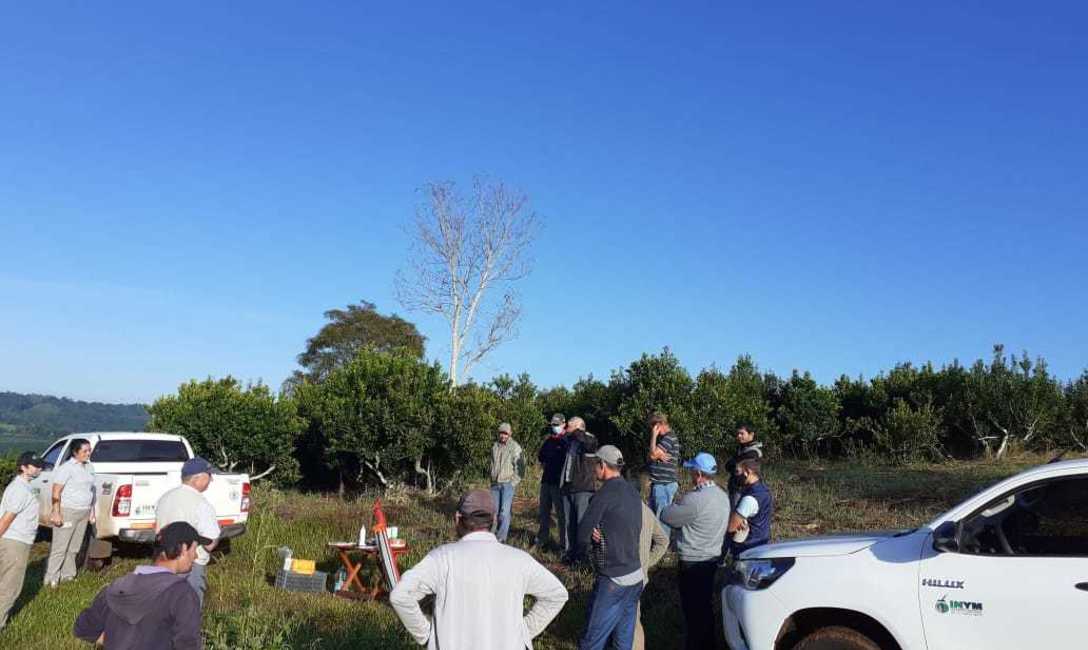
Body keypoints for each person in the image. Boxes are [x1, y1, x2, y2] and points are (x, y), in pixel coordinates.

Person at [390, 489, 568, 650]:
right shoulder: (519, 560)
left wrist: (426, 636)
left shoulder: (442, 558)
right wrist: (524, 631)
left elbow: (400, 595)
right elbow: (557, 594)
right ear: (495, 520)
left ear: (457, 518)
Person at [73, 521, 206, 649]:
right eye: (194, 549)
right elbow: (188, 645)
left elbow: (84, 628)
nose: (195, 556)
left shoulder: (116, 587)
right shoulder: (182, 594)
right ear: (183, 549)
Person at [660, 452, 730, 650]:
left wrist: (676, 502)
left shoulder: (694, 500)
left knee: (693, 613)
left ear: (699, 474)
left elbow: (667, 515)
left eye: (692, 470)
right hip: (712, 558)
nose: (690, 473)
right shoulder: (722, 496)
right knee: (705, 608)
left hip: (692, 561)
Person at [577, 445, 643, 650]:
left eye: (595, 465)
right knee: (622, 643)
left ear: (603, 465)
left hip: (614, 578)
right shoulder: (632, 491)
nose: (594, 469)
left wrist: (593, 540)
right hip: (635, 575)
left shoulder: (604, 494)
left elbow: (582, 535)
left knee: (591, 642)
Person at [155, 458, 220, 606]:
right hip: (190, 565)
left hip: (164, 561)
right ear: (198, 478)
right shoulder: (202, 504)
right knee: (189, 611)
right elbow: (209, 544)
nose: (211, 480)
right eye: (209, 476)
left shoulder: (164, 498)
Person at [0, 452, 45, 628]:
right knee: (10, 587)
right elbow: (6, 519)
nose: (39, 468)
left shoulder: (22, 486)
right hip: (15, 542)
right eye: (35, 465)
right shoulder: (20, 489)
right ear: (23, 467)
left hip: (13, 540)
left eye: (40, 464)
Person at [45, 438, 96, 588]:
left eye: (89, 450)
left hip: (84, 511)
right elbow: (56, 491)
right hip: (68, 510)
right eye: (85, 451)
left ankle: (68, 574)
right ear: (75, 452)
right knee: (60, 546)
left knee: (74, 547)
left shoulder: (90, 467)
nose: (88, 453)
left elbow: (91, 490)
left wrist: (92, 511)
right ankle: (51, 577)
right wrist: (56, 512)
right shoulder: (67, 468)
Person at [559, 416, 598, 563]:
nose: (567, 427)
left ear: (578, 427)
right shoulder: (570, 441)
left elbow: (589, 443)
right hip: (568, 487)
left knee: (582, 523)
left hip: (583, 488)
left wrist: (575, 431)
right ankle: (570, 553)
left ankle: (583, 556)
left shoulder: (590, 439)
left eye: (570, 425)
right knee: (569, 523)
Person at [632, 500, 669, 650]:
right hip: (639, 575)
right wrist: (646, 564)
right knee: (632, 619)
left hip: (624, 575)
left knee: (631, 622)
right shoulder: (646, 510)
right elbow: (663, 540)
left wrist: (647, 563)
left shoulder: (621, 507)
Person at [535, 413, 569, 549]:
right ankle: (542, 538)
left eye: (557, 424)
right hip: (546, 481)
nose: (554, 427)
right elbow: (541, 457)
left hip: (559, 484)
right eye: (553, 425)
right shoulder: (549, 440)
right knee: (544, 511)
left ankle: (563, 544)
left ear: (564, 424)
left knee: (561, 515)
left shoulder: (567, 441)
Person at [728, 458, 774, 557]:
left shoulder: (750, 498)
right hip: (762, 542)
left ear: (747, 472)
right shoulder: (765, 490)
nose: (736, 476)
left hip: (747, 548)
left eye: (737, 472)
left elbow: (731, 527)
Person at [489, 422, 525, 543]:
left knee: (504, 512)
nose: (503, 435)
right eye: (501, 433)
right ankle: (491, 536)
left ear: (510, 433)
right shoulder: (495, 446)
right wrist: (492, 477)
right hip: (495, 484)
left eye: (505, 433)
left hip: (507, 484)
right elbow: (492, 464)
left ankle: (501, 538)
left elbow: (520, 467)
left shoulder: (515, 447)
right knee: (494, 512)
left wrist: (512, 483)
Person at [646, 412, 680, 519]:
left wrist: (654, 436)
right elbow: (649, 456)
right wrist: (656, 454)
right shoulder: (664, 439)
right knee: (654, 520)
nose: (652, 429)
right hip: (659, 484)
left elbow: (652, 455)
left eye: (653, 427)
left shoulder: (669, 437)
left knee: (661, 521)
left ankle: (663, 537)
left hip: (664, 485)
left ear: (659, 424)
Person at [724, 424, 764, 506]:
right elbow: (728, 466)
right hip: (735, 489)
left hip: (744, 490)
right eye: (738, 434)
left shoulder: (753, 452)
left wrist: (734, 464)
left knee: (738, 516)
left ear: (751, 434)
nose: (738, 436)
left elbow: (736, 468)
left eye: (742, 433)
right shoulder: (741, 449)